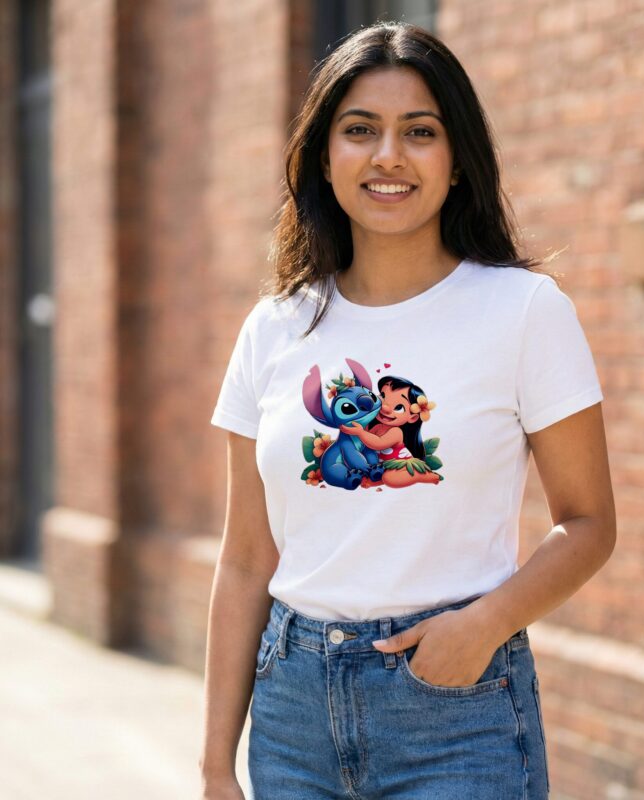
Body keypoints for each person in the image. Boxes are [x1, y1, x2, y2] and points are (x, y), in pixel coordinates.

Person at [200, 20, 616, 800]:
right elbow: (246, 560)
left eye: (419, 132)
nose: (387, 155)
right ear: (325, 158)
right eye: (360, 130)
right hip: (290, 715)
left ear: (457, 160)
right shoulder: (276, 327)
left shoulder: (523, 311)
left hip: (456, 707)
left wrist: (482, 628)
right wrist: (216, 763)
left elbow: (590, 523)